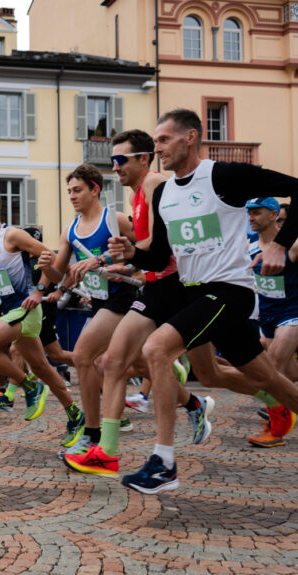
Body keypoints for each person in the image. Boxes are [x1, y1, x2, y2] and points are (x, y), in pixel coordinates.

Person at [109, 109, 298, 494]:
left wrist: (280, 244)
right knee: (268, 380)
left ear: (190, 137)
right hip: (195, 292)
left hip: (231, 291)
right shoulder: (163, 193)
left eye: (163, 140)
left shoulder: (223, 176)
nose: (157, 147)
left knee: (158, 348)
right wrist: (132, 254)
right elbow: (161, 257)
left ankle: (163, 463)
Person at [62, 129, 209, 477]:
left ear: (143, 158)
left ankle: (145, 449)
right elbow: (149, 250)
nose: (115, 168)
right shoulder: (135, 198)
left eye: (120, 160)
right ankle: (106, 449)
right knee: (113, 363)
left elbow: (158, 246)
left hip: (176, 289)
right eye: (112, 161)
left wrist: (108, 263)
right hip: (153, 290)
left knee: (220, 370)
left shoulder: (154, 183)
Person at [0, 189, 82, 443]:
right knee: (42, 367)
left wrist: (38, 291)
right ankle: (75, 414)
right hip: (11, 309)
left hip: (25, 309)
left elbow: (51, 257)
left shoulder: (11, 235)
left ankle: (30, 387)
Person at [42, 164, 138, 455]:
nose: (71, 196)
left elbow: (149, 250)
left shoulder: (114, 219)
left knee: (84, 354)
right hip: (98, 302)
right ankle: (191, 402)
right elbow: (62, 277)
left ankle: (92, 434)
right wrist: (49, 270)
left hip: (124, 296)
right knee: (131, 363)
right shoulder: (70, 231)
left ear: (95, 189)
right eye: (69, 191)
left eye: (77, 190)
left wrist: (112, 261)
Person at [246, 196, 298, 447]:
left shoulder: (293, 246)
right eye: (249, 213)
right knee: (288, 374)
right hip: (267, 317)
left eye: (257, 212)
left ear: (274, 214)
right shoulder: (249, 248)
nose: (251, 218)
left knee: (273, 366)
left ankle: (276, 427)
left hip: (293, 311)